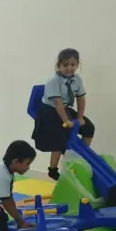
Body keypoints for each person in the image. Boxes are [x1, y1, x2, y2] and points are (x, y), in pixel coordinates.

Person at [32, 48, 96, 180]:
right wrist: (66, 121)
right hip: (49, 110)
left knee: (89, 127)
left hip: (64, 107)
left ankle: (80, 158)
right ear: (58, 66)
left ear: (77, 65)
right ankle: (53, 169)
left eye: (73, 65)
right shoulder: (53, 81)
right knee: (60, 137)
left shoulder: (77, 79)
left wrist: (79, 117)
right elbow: (58, 103)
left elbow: (81, 98)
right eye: (65, 65)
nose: (69, 68)